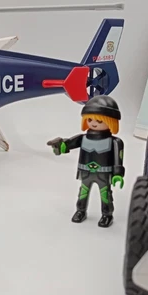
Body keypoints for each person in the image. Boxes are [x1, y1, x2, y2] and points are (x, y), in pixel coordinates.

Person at [47, 95, 125, 227]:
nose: (94, 123)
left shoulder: (115, 142)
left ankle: (107, 214)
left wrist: (117, 174)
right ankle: (80, 211)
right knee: (83, 193)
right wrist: (60, 146)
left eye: (99, 121)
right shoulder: (83, 138)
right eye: (89, 119)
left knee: (105, 195)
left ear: (111, 121)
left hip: (103, 173)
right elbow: (69, 144)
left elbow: (118, 159)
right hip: (86, 172)